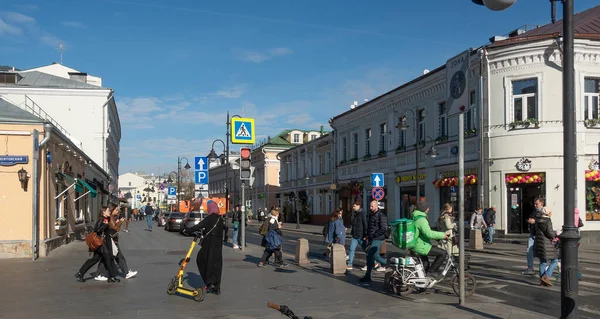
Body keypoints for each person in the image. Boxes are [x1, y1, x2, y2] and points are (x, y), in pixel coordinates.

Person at [183, 200, 224, 295]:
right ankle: (217, 286)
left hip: (209, 244)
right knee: (217, 264)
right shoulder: (220, 219)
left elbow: (198, 226)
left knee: (202, 259)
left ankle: (209, 283)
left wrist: (187, 230)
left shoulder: (209, 218)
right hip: (218, 245)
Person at [75, 207, 119, 283]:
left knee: (94, 260)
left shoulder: (106, 219)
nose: (109, 212)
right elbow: (97, 230)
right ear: (103, 212)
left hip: (103, 243)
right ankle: (111, 277)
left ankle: (80, 273)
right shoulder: (101, 220)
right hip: (102, 244)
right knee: (108, 259)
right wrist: (105, 225)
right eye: (108, 211)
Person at [411, 200, 449, 278]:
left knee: (425, 264)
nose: (429, 209)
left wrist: (437, 238)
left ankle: (422, 285)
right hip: (421, 246)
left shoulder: (415, 217)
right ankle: (432, 272)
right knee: (443, 253)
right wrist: (443, 235)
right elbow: (428, 233)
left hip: (416, 244)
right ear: (425, 209)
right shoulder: (421, 220)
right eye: (428, 207)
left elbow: (422, 233)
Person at [360, 200, 389, 283]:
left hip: (378, 238)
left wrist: (375, 234)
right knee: (371, 257)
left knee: (372, 255)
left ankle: (389, 263)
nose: (370, 208)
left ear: (376, 206)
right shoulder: (371, 215)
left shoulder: (381, 215)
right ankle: (367, 276)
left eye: (372, 206)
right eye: (370, 206)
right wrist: (367, 235)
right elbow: (370, 226)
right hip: (372, 238)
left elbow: (384, 228)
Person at [534, 207, 558, 287]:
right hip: (546, 243)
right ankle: (546, 276)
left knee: (543, 262)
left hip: (539, 242)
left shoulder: (537, 220)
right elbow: (549, 233)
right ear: (548, 213)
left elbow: (534, 231)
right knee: (554, 260)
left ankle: (542, 281)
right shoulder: (548, 221)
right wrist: (555, 234)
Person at [522, 198, 544, 275]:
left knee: (542, 252)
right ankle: (530, 268)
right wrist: (530, 220)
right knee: (529, 250)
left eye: (536, 204)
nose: (535, 205)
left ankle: (545, 269)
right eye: (534, 204)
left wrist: (535, 221)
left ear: (541, 204)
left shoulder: (543, 211)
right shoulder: (535, 211)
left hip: (539, 234)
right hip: (533, 233)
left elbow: (545, 221)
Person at [347, 201, 368, 270]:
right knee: (351, 249)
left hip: (361, 235)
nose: (353, 207)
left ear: (358, 206)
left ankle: (371, 263)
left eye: (354, 206)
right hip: (355, 235)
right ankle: (350, 264)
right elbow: (353, 224)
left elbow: (365, 224)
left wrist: (366, 234)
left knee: (366, 250)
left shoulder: (362, 213)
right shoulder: (355, 213)